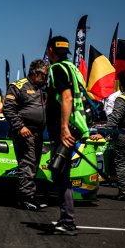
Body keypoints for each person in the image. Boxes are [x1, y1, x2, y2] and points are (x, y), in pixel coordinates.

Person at [45, 36, 89, 235]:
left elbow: (67, 97)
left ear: (50, 50)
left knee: (61, 174)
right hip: (76, 126)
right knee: (61, 173)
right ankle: (65, 217)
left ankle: (68, 220)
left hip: (66, 129)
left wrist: (64, 128)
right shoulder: (73, 68)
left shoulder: (56, 69)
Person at [90, 71, 125, 201]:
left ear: (120, 83)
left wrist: (102, 133)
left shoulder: (122, 98)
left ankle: (123, 192)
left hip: (124, 134)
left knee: (121, 163)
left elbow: (114, 119)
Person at [2, 59, 49, 210]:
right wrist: (20, 127)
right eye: (45, 75)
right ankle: (26, 198)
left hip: (39, 133)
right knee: (27, 165)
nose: (46, 79)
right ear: (36, 73)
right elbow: (8, 110)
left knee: (33, 165)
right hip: (24, 132)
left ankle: (30, 196)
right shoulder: (18, 86)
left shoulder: (43, 89)